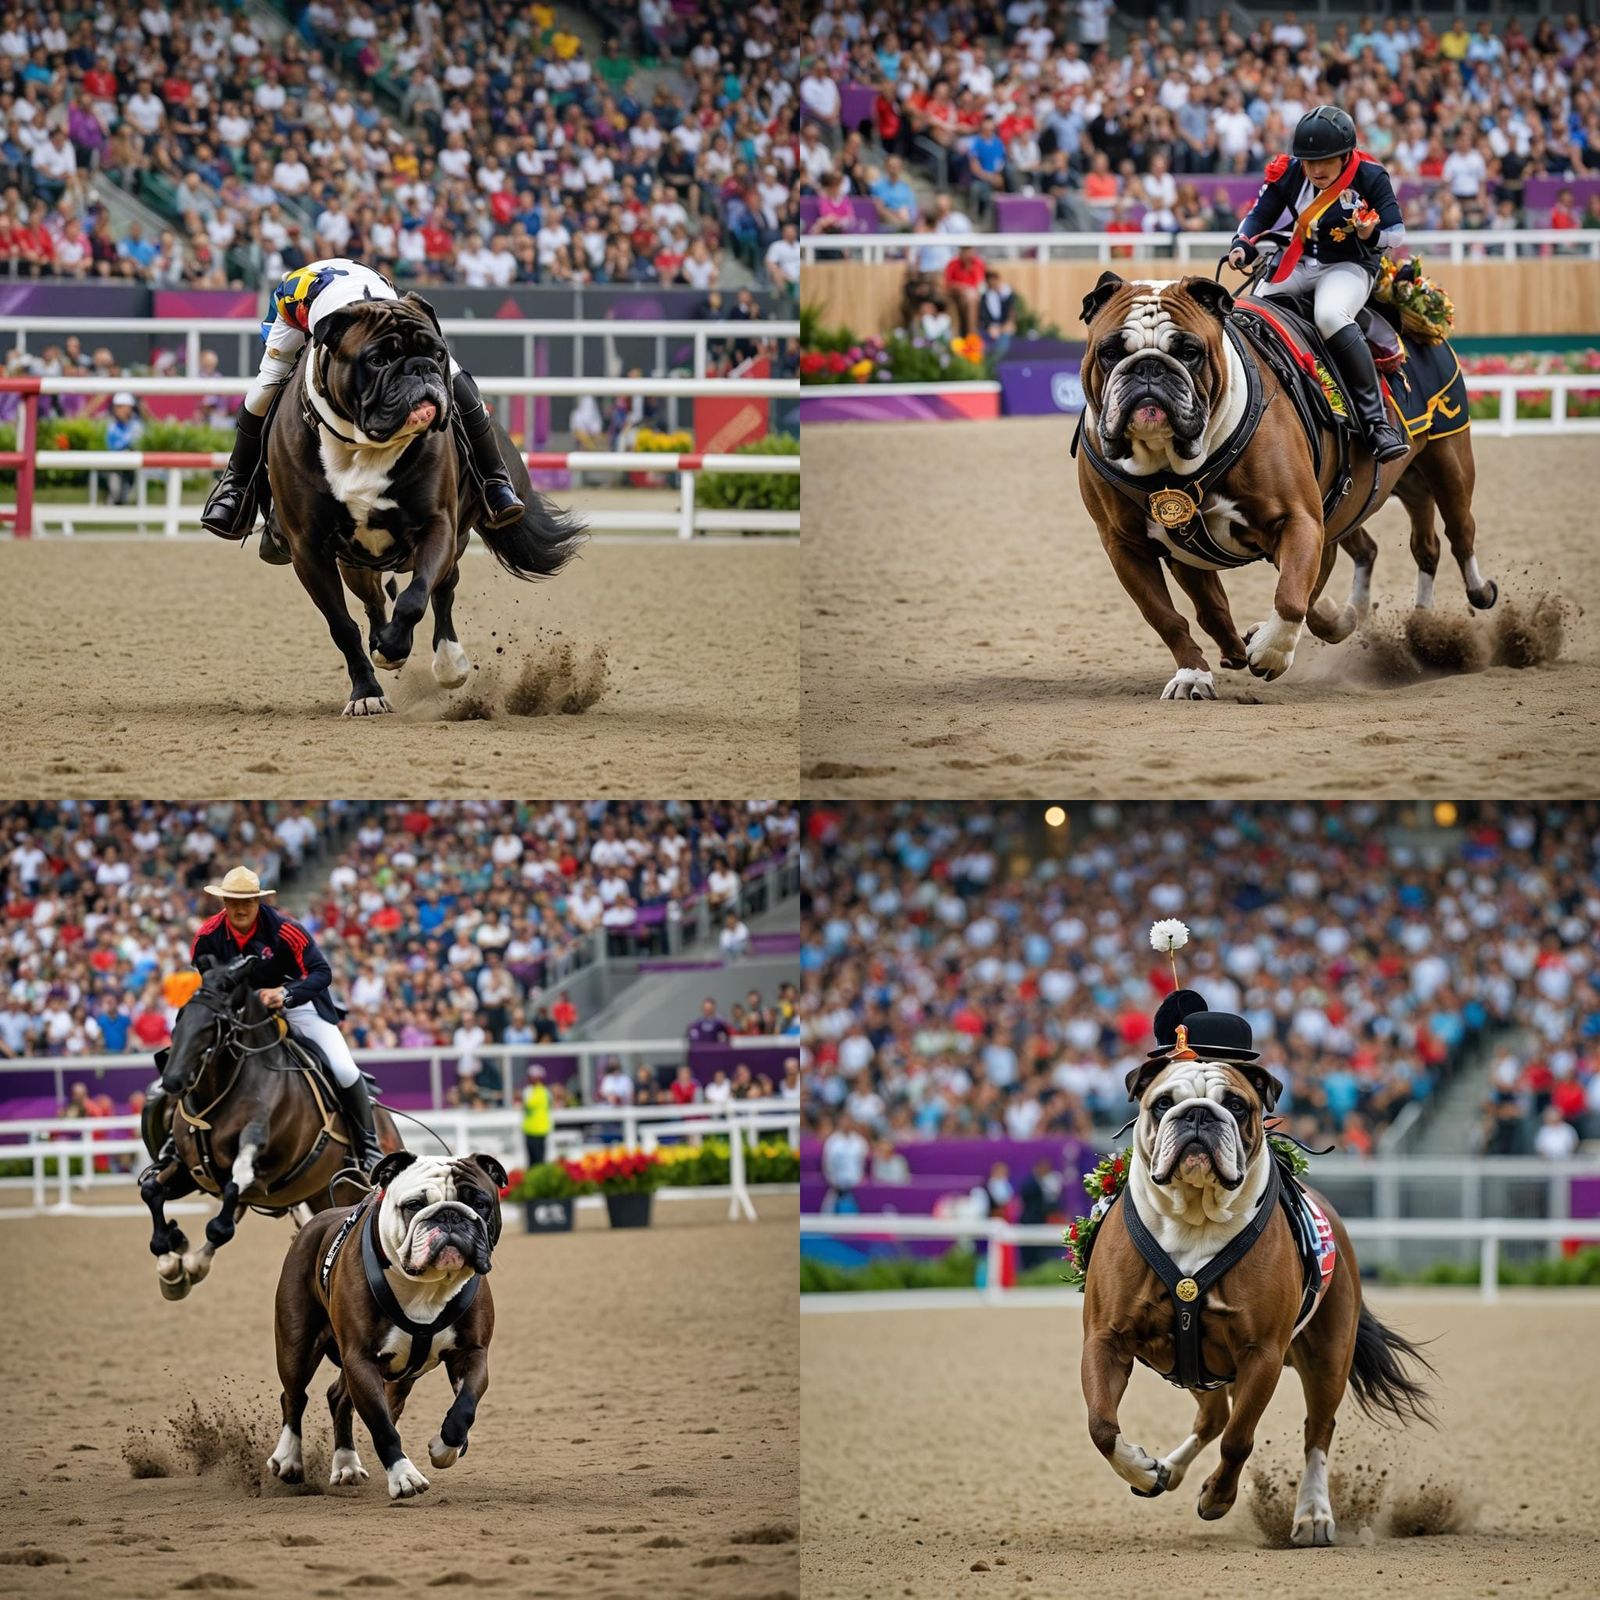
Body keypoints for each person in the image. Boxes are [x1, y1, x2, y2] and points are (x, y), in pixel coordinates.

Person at [199, 257, 524, 549]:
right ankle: (236, 485)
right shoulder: (307, 306)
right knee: (264, 389)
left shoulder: (394, 308)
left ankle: (494, 481)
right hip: (295, 308)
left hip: (372, 295)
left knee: (458, 380)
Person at [1228, 105, 1409, 463]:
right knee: (1244, 315)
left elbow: (1396, 233)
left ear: (1345, 155)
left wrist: (1371, 234)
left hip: (1349, 265)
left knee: (1328, 315)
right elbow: (1259, 214)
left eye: (1324, 161)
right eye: (1309, 161)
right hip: (1297, 262)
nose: (1315, 170)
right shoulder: (1290, 172)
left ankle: (1376, 423)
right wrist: (1241, 244)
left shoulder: (1371, 175)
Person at [181, 865, 383, 1174]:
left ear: (259, 901)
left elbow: (322, 973)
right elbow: (212, 984)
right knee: (191, 1048)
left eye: (247, 901)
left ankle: (368, 1146)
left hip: (297, 1004)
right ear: (223, 902)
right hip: (239, 1011)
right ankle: (177, 1139)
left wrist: (285, 993)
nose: (240, 908)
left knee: (342, 1067)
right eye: (233, 901)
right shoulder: (207, 937)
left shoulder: (285, 930)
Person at [521, 1063, 551, 1168]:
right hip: (534, 1129)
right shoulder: (543, 1091)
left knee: (536, 1160)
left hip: (536, 1130)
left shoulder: (535, 1091)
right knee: (535, 1160)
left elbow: (528, 1104)